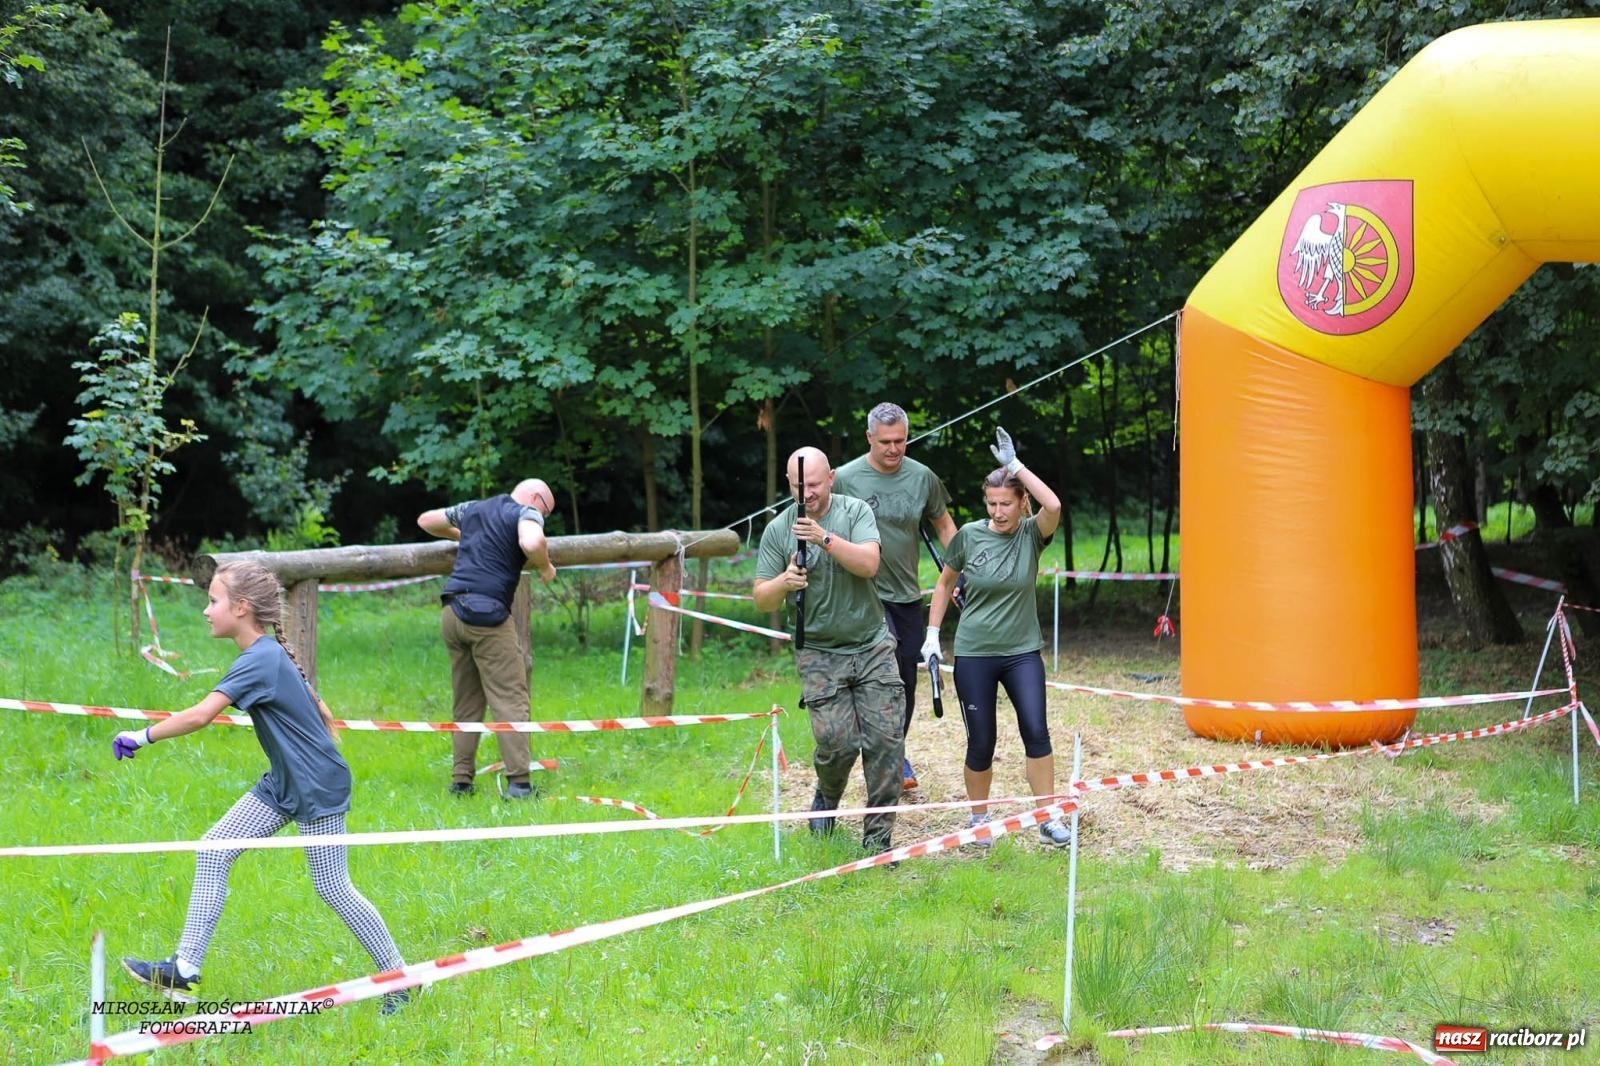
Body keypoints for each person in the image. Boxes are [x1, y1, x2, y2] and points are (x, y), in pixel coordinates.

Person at [111, 561, 410, 1010]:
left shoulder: (260, 659)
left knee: (333, 887)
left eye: (213, 601)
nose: (207, 611)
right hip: (283, 783)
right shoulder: (265, 654)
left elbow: (200, 715)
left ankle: (401, 980)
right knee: (214, 849)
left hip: (317, 786)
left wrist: (141, 735)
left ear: (242, 607)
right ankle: (184, 969)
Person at [923, 427, 1071, 847]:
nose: (998, 511)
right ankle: (979, 819)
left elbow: (1055, 503)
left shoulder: (1031, 535)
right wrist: (932, 634)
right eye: (991, 503)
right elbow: (944, 583)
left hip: (1022, 652)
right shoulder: (969, 535)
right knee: (981, 740)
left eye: (1006, 503)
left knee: (1036, 731)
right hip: (974, 653)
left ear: (1022, 502)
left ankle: (1046, 818)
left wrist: (1016, 466)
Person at [754, 447, 906, 854]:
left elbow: (869, 563)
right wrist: (785, 582)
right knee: (837, 743)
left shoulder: (855, 512)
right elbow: (762, 598)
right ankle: (827, 795)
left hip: (872, 644)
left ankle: (878, 844)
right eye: (798, 486)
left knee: (886, 742)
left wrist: (822, 538)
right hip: (820, 651)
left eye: (815, 484)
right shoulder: (777, 529)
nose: (807, 494)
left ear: (832, 478)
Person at [833, 402, 956, 793]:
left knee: (904, 680)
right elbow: (819, 521)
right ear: (869, 437)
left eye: (900, 440)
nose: (893, 449)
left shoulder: (923, 478)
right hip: (861, 594)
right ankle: (881, 757)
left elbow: (944, 525)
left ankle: (895, 748)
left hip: (906, 596)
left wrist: (959, 574)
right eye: (885, 441)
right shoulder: (846, 478)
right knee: (880, 674)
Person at [418, 479, 556, 798]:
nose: (543, 518)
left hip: (452, 612)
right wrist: (546, 567)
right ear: (536, 499)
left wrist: (463, 534)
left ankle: (461, 781)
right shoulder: (526, 512)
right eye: (545, 512)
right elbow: (533, 544)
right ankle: (519, 785)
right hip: (488, 614)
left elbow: (426, 520)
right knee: (510, 698)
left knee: (466, 701)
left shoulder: (474, 509)